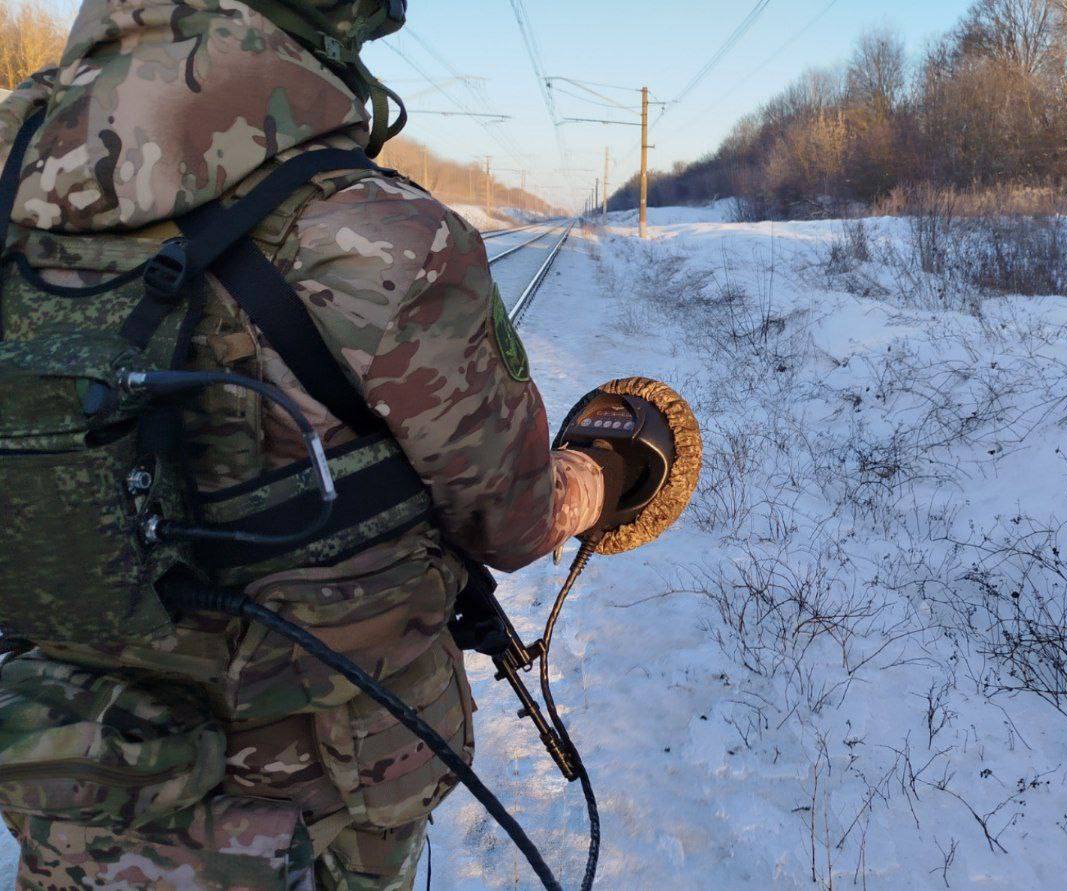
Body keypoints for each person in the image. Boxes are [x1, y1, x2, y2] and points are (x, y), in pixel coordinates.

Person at [0, 0, 622, 886]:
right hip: (319, 808)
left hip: (74, 777)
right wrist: (607, 473)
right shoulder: (379, 232)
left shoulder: (16, 190)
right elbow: (512, 518)